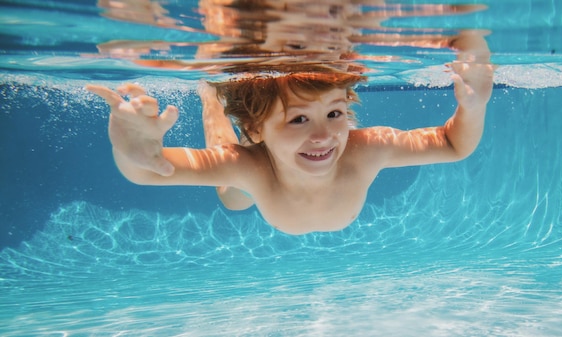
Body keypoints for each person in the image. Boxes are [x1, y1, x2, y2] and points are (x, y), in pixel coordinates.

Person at [86, 32, 493, 235]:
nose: (324, 136)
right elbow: (148, 171)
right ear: (258, 129)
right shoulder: (249, 168)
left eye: (335, 113)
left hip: (263, 160)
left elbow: (453, 143)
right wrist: (135, 148)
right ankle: (211, 95)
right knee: (233, 191)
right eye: (299, 119)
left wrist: (473, 105)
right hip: (252, 181)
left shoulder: (368, 148)